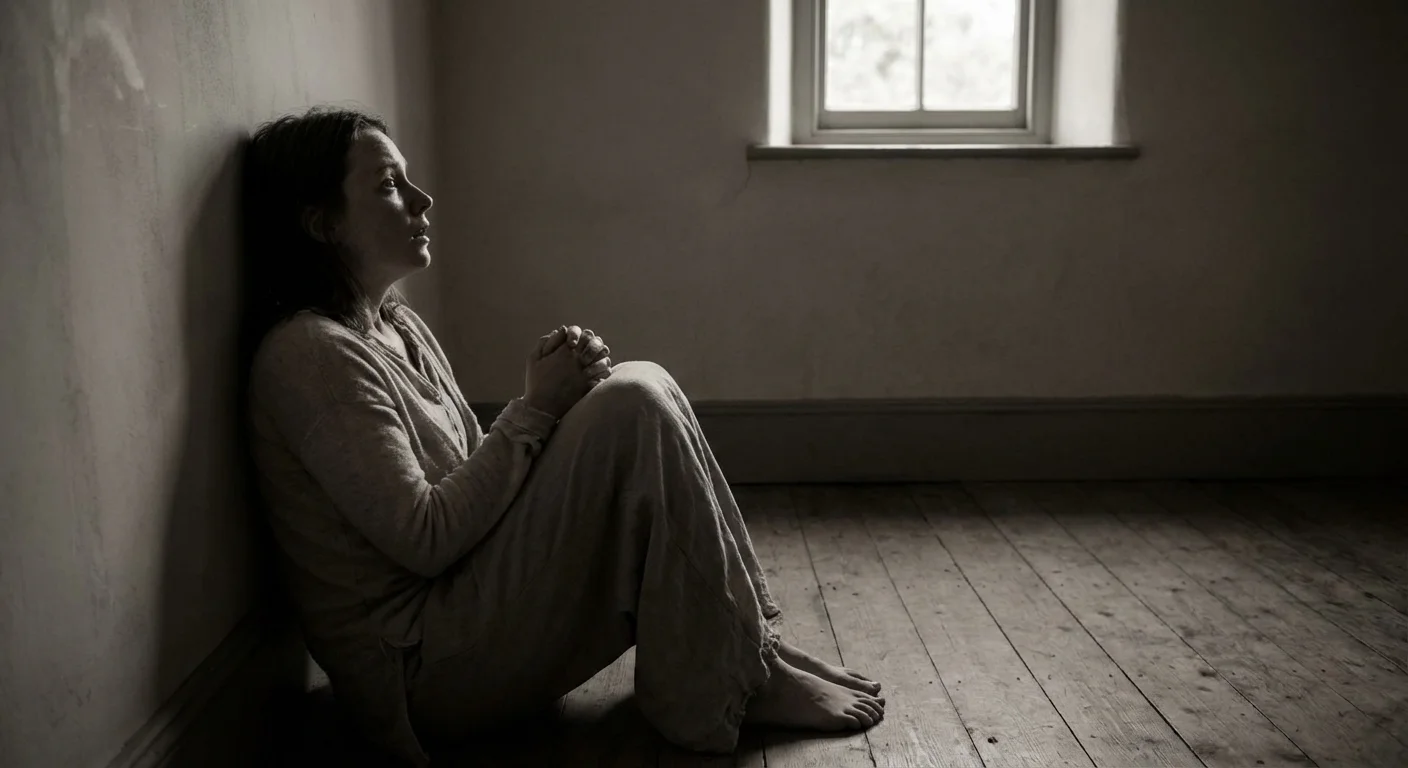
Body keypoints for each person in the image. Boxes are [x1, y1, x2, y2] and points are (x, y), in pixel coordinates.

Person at [241, 106, 885, 766]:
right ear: (321, 224)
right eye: (386, 185)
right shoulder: (308, 355)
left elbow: (467, 476)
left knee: (638, 385)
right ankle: (736, 675)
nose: (421, 198)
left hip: (463, 613)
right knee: (631, 401)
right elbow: (425, 539)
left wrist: (557, 399)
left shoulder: (396, 325)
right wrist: (537, 408)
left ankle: (750, 657)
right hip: (420, 674)